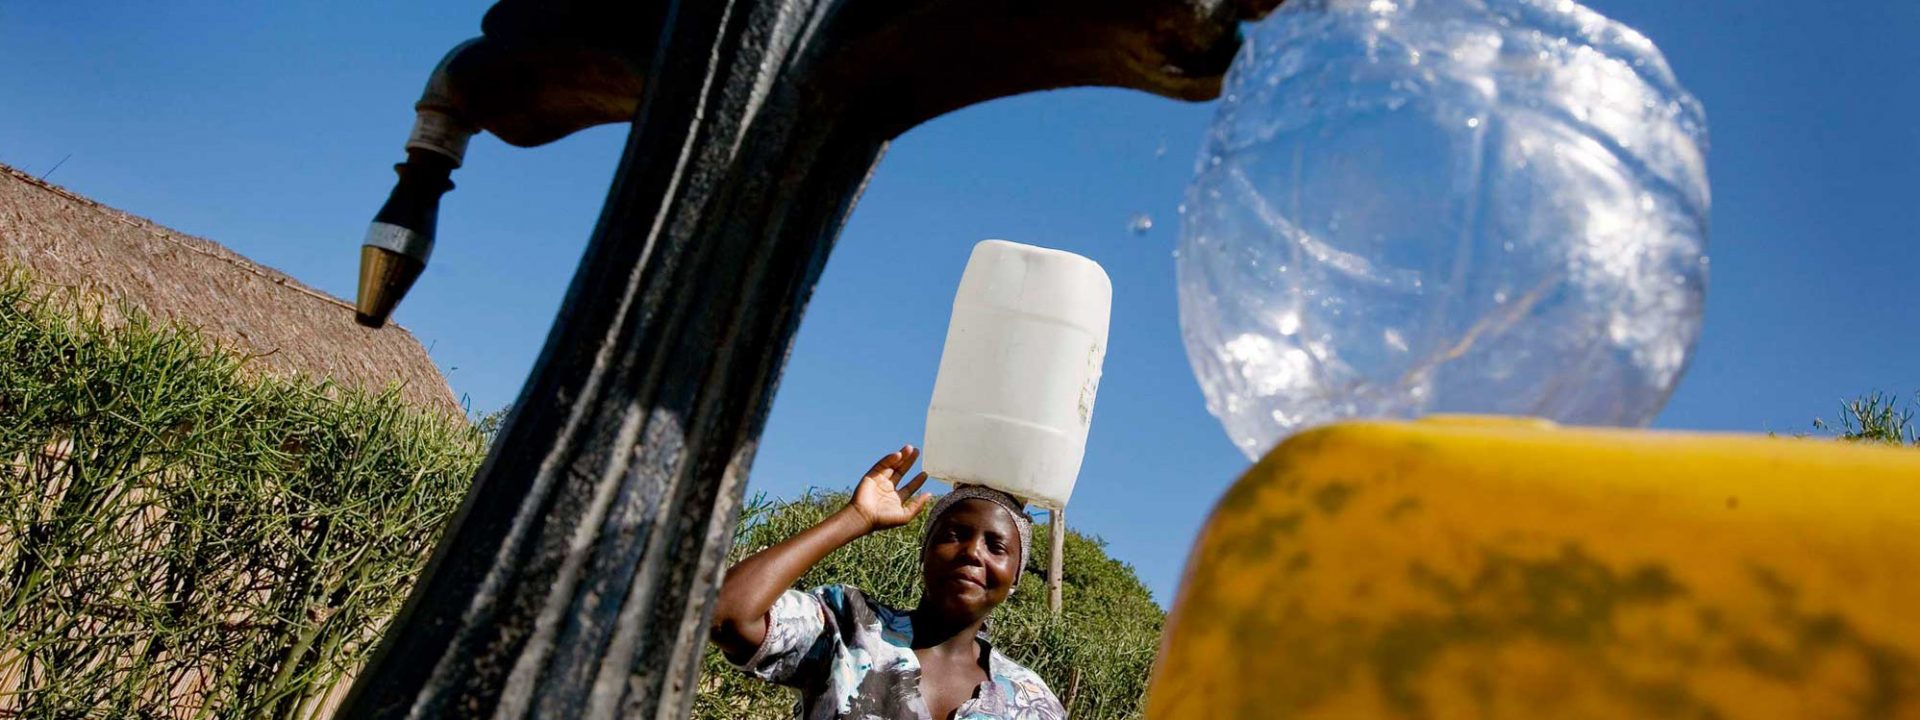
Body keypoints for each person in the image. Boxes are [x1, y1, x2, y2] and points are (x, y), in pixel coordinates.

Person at [708, 444, 1066, 720]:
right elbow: (726, 614)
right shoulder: (849, 628)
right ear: (924, 551)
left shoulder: (1032, 702)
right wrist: (856, 517)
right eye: (955, 535)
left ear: (1016, 576)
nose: (972, 552)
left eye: (996, 546)